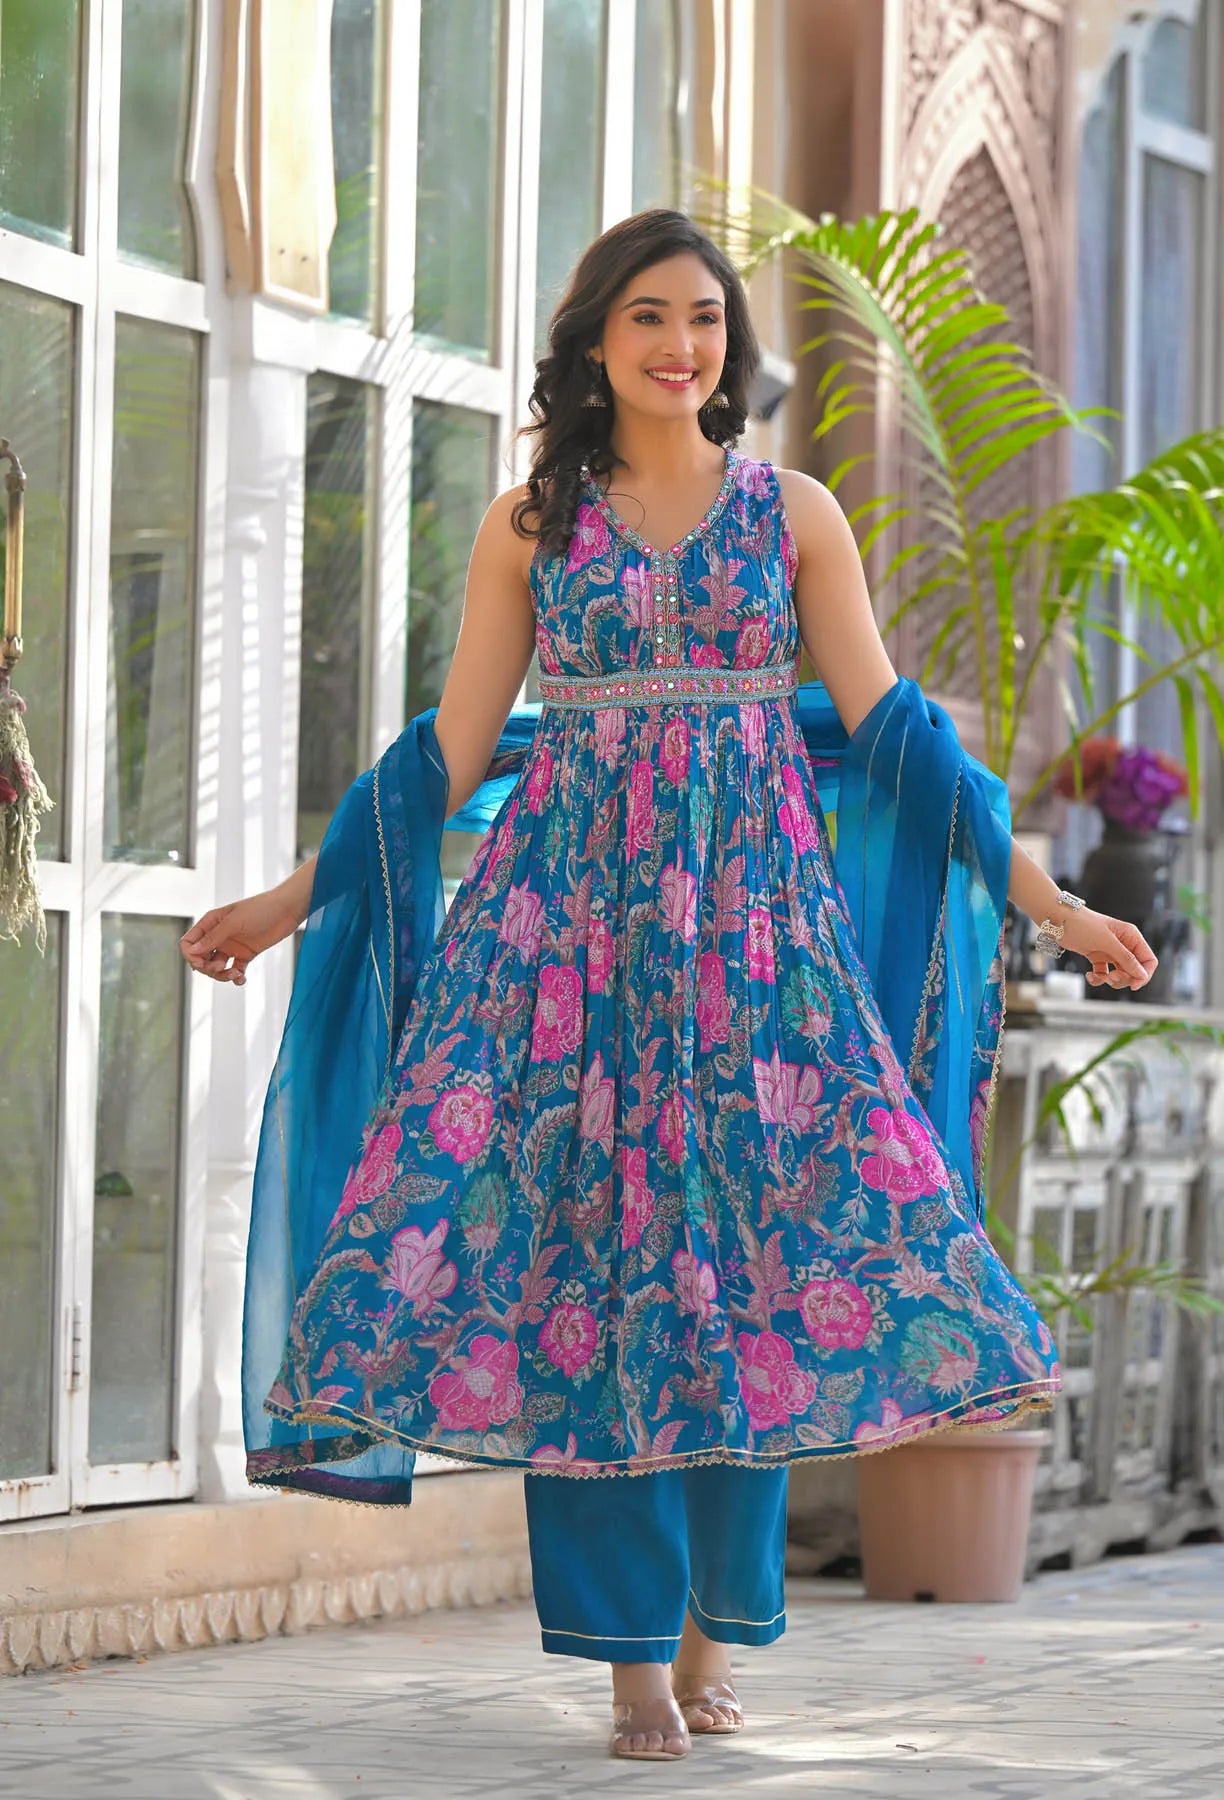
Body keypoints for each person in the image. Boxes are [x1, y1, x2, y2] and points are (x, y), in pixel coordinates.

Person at [181, 209, 1157, 1763]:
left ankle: (713, 1629)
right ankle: (633, 1663)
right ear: (593, 339)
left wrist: (1045, 893)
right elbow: (444, 759)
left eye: (704, 318)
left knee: (749, 1287)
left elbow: (898, 730)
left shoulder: (793, 515)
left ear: (728, 346)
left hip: (759, 964)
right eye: (648, 316)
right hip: (561, 963)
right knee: (584, 1300)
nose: (680, 345)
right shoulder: (532, 526)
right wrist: (292, 897)